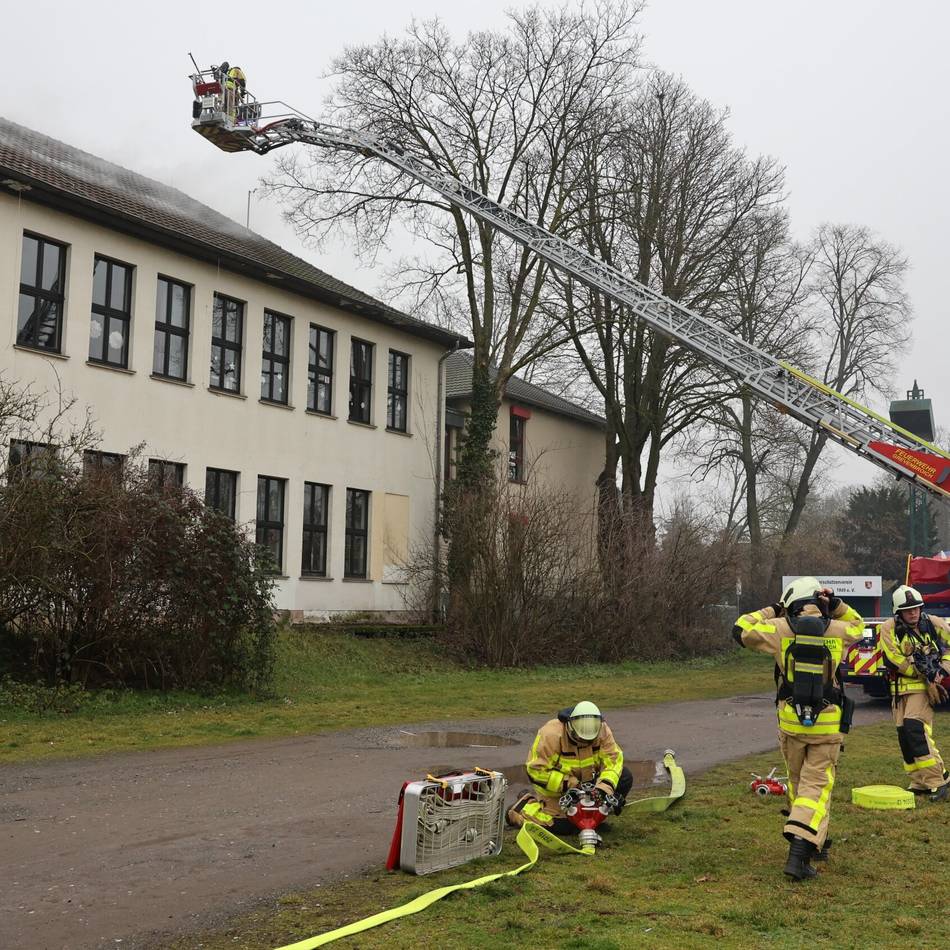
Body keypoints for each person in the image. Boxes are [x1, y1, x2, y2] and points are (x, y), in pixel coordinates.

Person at [733, 576, 864, 879]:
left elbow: (739, 628)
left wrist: (772, 610)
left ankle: (815, 841)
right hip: (828, 723)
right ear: (820, 601)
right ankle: (799, 854)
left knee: (798, 783)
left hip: (791, 724)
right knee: (816, 787)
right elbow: (859, 624)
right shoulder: (839, 629)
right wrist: (838, 605)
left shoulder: (779, 629)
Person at [507, 701, 632, 834]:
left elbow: (613, 761)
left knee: (624, 777)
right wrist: (570, 785)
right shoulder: (551, 734)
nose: (585, 742)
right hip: (558, 790)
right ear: (570, 727)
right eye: (580, 738)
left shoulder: (602, 730)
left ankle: (594, 817)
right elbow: (535, 770)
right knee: (563, 827)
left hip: (588, 783)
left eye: (590, 740)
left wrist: (603, 790)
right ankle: (521, 809)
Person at [878, 585, 950, 802]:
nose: (913, 613)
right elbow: (892, 659)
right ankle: (919, 781)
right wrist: (922, 674)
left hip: (923, 691)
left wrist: (940, 672)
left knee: (914, 729)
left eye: (917, 608)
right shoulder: (888, 628)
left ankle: (938, 780)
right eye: (908, 609)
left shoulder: (934, 623)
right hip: (900, 691)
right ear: (898, 612)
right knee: (904, 736)